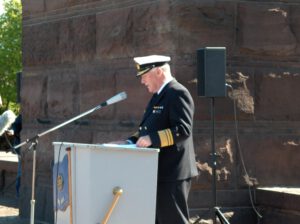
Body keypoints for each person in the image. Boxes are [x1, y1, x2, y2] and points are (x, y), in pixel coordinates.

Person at [127, 55, 198, 224]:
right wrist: (128, 142)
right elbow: (148, 129)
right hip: (157, 171)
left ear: (158, 71)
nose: (142, 81)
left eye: (144, 75)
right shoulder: (159, 95)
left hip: (172, 171)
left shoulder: (177, 92)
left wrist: (152, 138)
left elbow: (183, 130)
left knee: (173, 221)